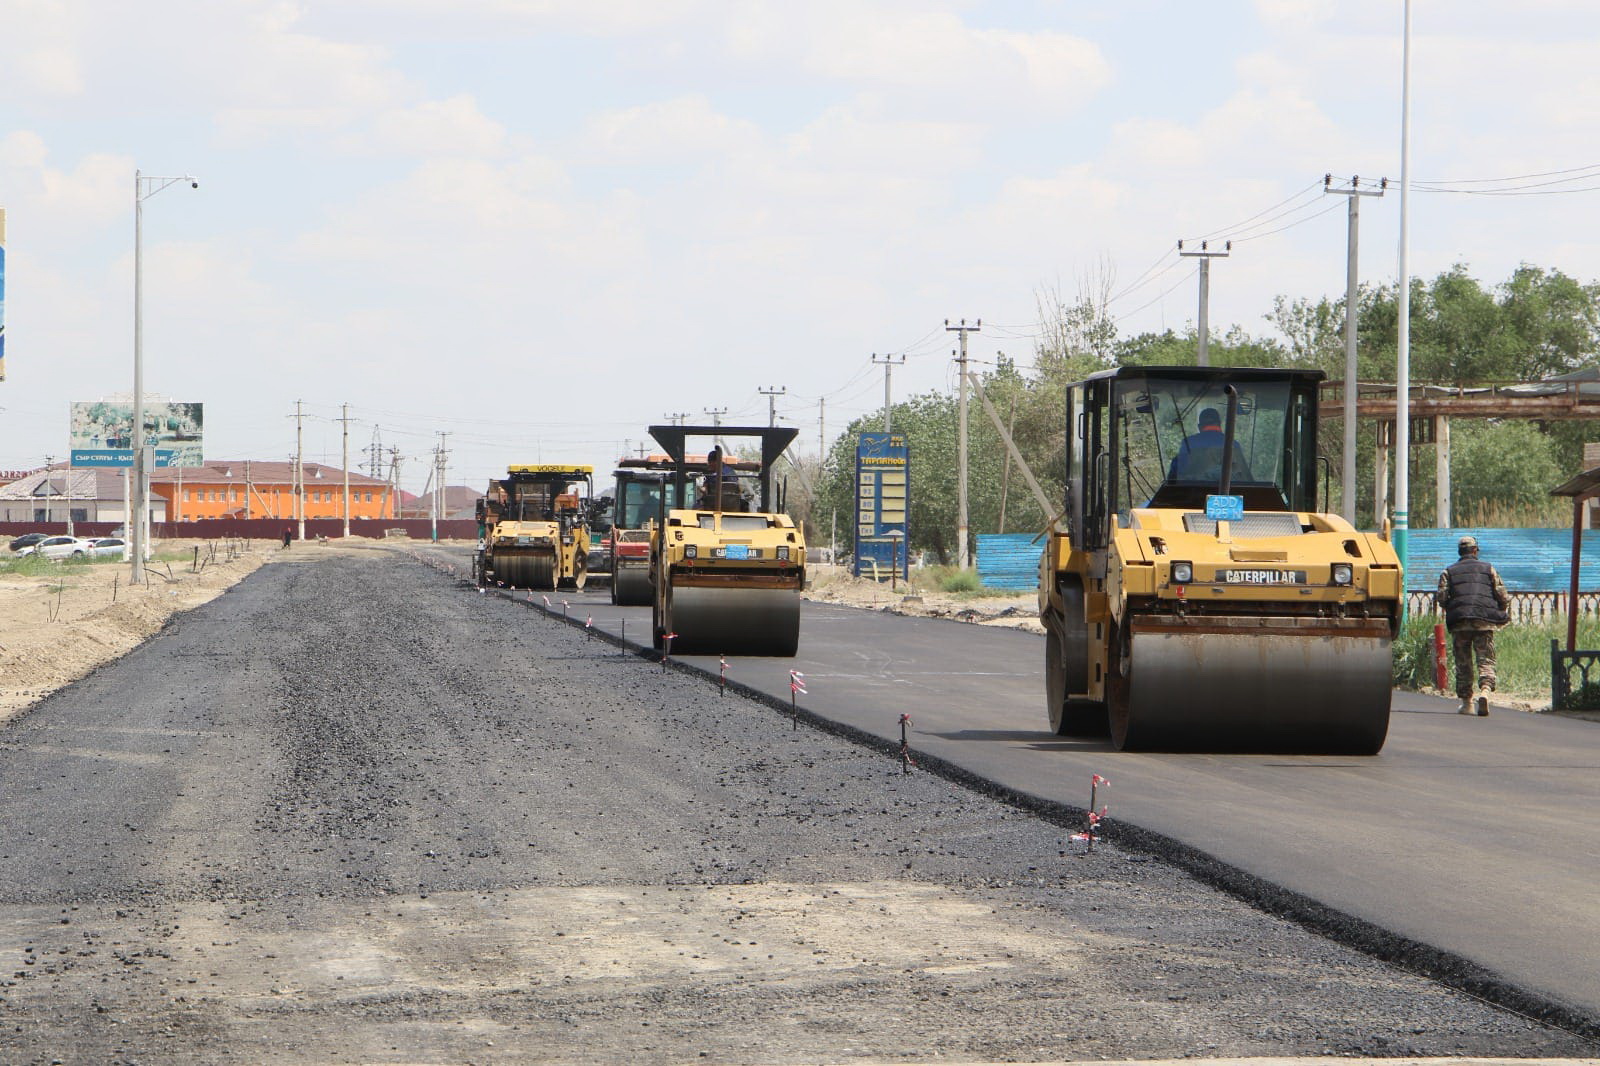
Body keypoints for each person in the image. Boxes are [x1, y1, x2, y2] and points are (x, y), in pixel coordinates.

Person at [1436, 534, 1510, 716]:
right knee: (1485, 659)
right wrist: (1499, 609)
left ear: (1460, 552)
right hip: (1484, 621)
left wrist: (1456, 607)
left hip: (1460, 622)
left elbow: (1442, 598)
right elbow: (1503, 595)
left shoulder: (1449, 571)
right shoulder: (1488, 569)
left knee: (1463, 663)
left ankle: (1467, 703)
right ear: (1475, 550)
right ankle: (1485, 691)